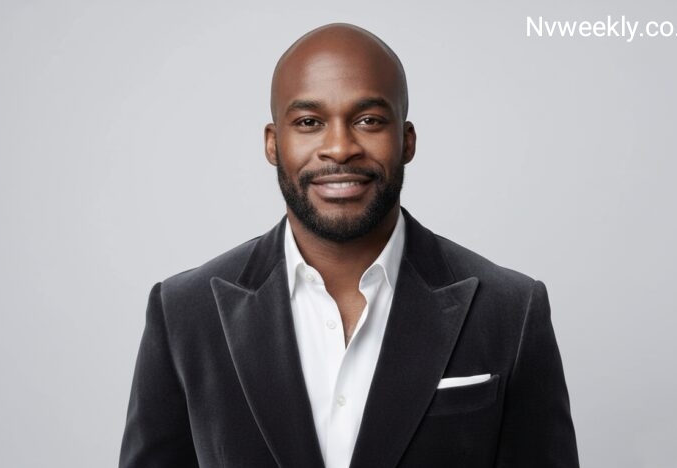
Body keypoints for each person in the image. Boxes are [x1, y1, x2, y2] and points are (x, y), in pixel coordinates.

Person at [119, 23, 579, 468]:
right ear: (273, 144)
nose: (339, 147)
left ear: (407, 141)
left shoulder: (511, 311)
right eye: (309, 121)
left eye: (368, 120)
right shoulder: (183, 314)